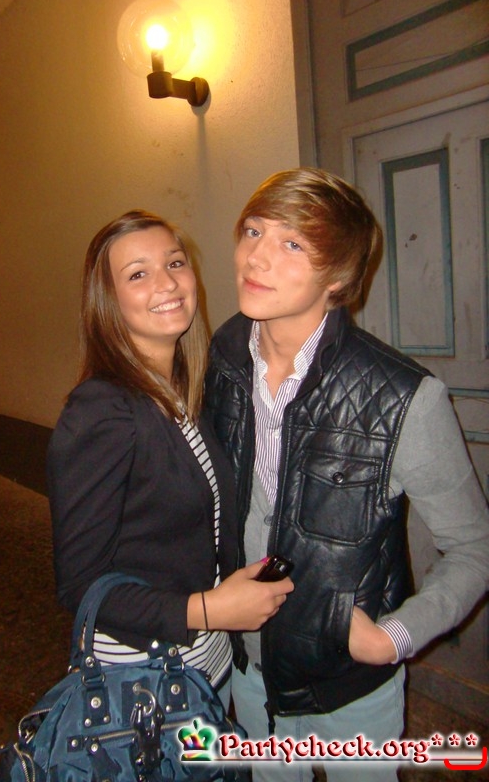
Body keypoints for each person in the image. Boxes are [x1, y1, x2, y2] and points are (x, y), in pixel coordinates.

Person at [204, 168, 489, 781]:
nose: (257, 256)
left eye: (291, 243)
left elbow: (476, 548)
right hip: (250, 670)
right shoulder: (224, 357)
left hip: (349, 686)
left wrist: (393, 638)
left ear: (337, 277)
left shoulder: (403, 398)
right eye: (253, 230)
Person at [47, 210, 293, 713]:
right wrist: (209, 608)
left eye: (175, 263)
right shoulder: (102, 410)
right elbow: (80, 587)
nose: (166, 283)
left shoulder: (182, 395)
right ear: (108, 301)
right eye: (137, 274)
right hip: (144, 683)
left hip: (207, 666)